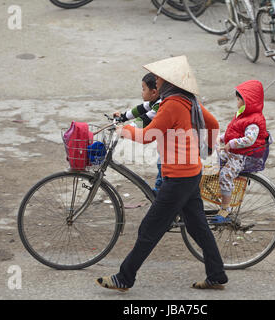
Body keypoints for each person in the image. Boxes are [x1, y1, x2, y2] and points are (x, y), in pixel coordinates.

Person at [96, 55, 228, 292]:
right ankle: (217, 275)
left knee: (149, 229)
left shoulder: (172, 104)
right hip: (190, 172)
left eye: (158, 79)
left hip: (179, 177)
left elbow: (148, 135)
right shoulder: (189, 101)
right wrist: (205, 148)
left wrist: (123, 129)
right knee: (198, 227)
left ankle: (125, 278)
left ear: (168, 82)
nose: (155, 82)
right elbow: (213, 122)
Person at [217, 80, 269, 218]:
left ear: (248, 102)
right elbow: (232, 131)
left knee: (225, 175)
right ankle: (222, 192)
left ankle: (225, 209)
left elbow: (249, 140)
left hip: (243, 157)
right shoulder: (242, 115)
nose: (237, 102)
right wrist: (221, 138)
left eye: (239, 99)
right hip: (235, 154)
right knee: (211, 160)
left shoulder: (254, 121)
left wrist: (232, 143)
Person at [113, 72, 163, 193]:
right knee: (161, 165)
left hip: (173, 148)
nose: (142, 92)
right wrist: (123, 117)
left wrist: (124, 130)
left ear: (154, 92)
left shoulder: (160, 105)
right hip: (166, 146)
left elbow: (144, 120)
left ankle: (160, 193)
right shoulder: (154, 101)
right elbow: (139, 109)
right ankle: (159, 191)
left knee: (163, 167)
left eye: (143, 89)